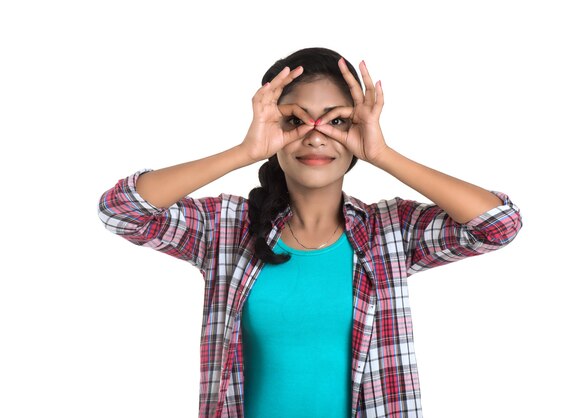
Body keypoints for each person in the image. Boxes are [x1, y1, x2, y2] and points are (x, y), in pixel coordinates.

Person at [98, 47, 523, 418]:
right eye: (294, 121)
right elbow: (122, 211)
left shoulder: (388, 233)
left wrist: (383, 154)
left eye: (337, 122)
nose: (315, 136)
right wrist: (244, 152)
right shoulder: (227, 228)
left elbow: (498, 225)